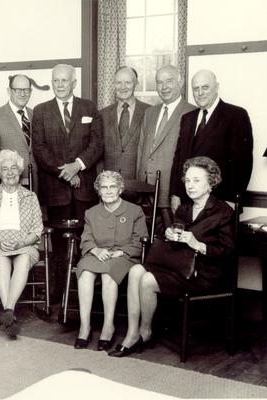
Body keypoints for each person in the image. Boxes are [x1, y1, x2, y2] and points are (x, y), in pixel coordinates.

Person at [110, 156, 234, 357]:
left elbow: (228, 252)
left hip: (202, 274)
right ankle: (132, 333)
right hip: (178, 266)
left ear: (211, 184)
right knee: (135, 270)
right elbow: (175, 240)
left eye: (197, 181)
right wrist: (167, 235)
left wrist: (198, 244)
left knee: (148, 280)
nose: (190, 186)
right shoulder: (184, 208)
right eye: (188, 180)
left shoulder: (223, 212)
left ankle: (145, 331)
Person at [32, 63, 103, 303]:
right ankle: (59, 295)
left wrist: (78, 166)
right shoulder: (40, 111)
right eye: (56, 81)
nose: (60, 85)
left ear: (74, 82)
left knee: (86, 242)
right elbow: (39, 149)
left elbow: (97, 143)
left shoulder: (89, 107)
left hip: (84, 189)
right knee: (59, 248)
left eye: (64, 80)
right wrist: (65, 172)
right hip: (56, 190)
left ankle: (83, 295)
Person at [74, 171, 147, 351]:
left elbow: (140, 240)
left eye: (112, 186)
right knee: (84, 273)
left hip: (123, 257)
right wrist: (95, 250)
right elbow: (86, 238)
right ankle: (85, 326)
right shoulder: (91, 213)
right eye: (104, 187)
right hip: (96, 254)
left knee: (108, 274)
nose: (108, 191)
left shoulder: (134, 211)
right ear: (98, 190)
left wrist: (121, 252)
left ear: (120, 189)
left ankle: (108, 326)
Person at [0, 150, 43, 339]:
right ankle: (10, 315)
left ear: (19, 170)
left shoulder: (30, 196)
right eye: (5, 169)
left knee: (23, 259)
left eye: (14, 168)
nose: (10, 172)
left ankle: (7, 310)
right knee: (2, 262)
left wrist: (21, 242)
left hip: (25, 243)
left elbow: (37, 229)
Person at [169, 70, 253, 211]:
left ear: (216, 87)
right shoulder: (187, 119)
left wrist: (233, 200)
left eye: (205, 87)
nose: (200, 93)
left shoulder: (236, 115)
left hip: (221, 202)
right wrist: (176, 194)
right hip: (187, 201)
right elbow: (178, 159)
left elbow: (242, 163)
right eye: (196, 89)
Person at [137, 65, 196, 230]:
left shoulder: (192, 112)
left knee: (171, 242)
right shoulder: (150, 112)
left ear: (181, 82)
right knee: (147, 240)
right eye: (159, 82)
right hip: (145, 190)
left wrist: (179, 191)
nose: (164, 87)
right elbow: (142, 149)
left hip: (172, 191)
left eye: (169, 81)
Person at [0, 74, 38, 192]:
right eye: (18, 90)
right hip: (8, 182)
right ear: (9, 91)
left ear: (31, 91)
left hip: (36, 181)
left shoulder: (35, 114)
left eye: (26, 90)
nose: (22, 93)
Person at [98, 66, 149, 180]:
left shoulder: (149, 112)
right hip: (109, 185)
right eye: (118, 83)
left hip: (138, 184)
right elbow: (98, 152)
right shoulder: (102, 114)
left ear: (136, 83)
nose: (123, 87)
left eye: (127, 83)